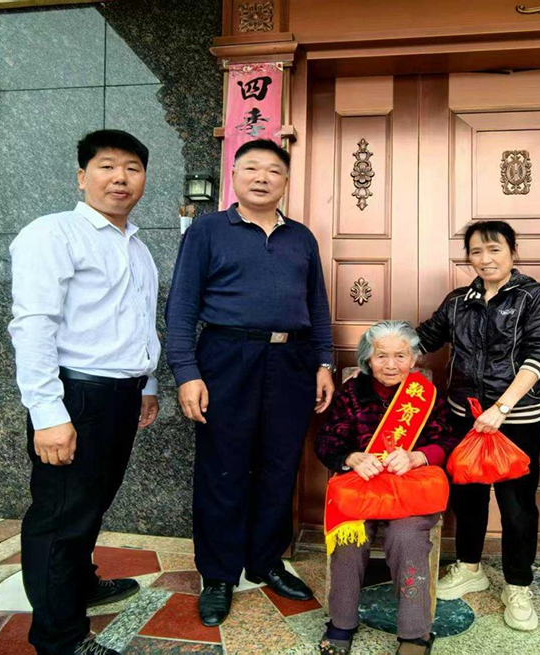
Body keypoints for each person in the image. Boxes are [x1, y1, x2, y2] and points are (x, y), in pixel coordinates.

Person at [165, 139, 335, 626]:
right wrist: (187, 372)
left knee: (280, 466)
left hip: (291, 360)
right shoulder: (208, 230)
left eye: (273, 171)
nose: (262, 177)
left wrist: (324, 362)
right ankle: (218, 575)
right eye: (252, 168)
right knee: (223, 467)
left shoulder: (301, 237)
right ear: (234, 176)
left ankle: (265, 561)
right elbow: (182, 305)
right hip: (226, 356)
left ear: (286, 181)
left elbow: (317, 305)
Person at [9, 129, 160, 655]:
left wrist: (147, 384)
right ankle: (61, 639)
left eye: (132, 168)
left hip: (120, 396)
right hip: (74, 397)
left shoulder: (136, 246)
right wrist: (48, 413)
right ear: (82, 176)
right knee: (60, 517)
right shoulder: (53, 234)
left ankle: (78, 584)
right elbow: (33, 325)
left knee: (89, 506)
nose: (121, 178)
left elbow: (140, 322)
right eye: (107, 166)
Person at [416, 221, 540, 632]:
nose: (485, 259)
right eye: (476, 252)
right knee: (468, 498)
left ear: (513, 252)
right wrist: (383, 351)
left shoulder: (536, 298)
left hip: (513, 420)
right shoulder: (458, 301)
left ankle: (517, 585)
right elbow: (424, 339)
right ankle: (470, 567)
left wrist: (501, 407)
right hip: (463, 415)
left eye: (494, 249)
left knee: (517, 506)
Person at [315, 321, 459, 655]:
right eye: (381, 356)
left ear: (414, 359)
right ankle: (341, 622)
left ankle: (415, 633)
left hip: (410, 491)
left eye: (400, 355)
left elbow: (449, 440)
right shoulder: (352, 393)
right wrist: (350, 457)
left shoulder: (425, 395)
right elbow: (326, 441)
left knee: (407, 538)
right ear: (368, 359)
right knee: (350, 539)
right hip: (362, 488)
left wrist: (418, 456)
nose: (391, 364)